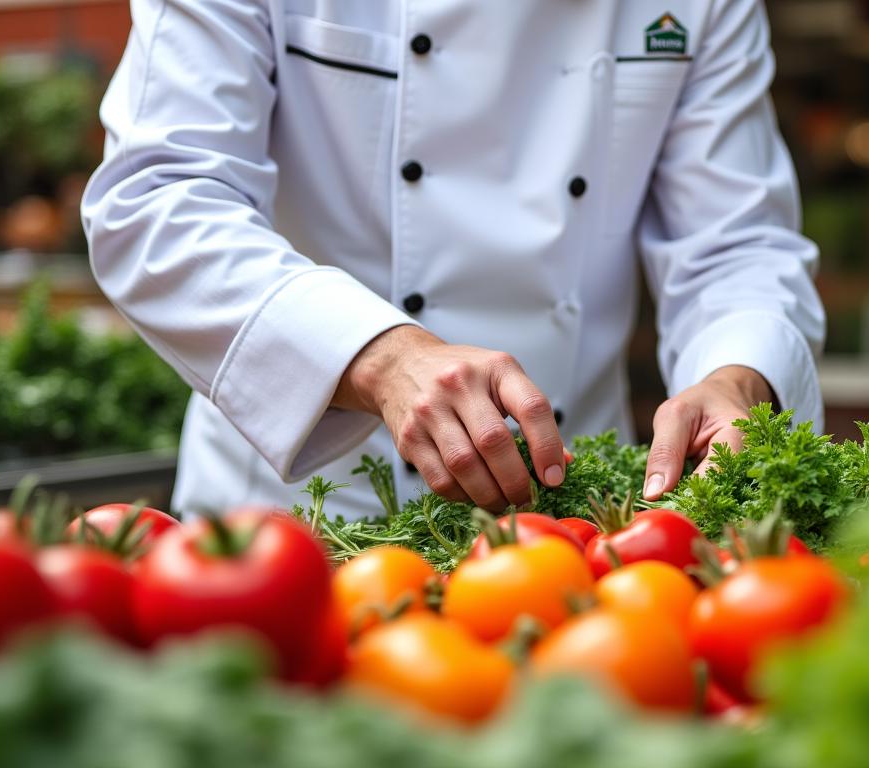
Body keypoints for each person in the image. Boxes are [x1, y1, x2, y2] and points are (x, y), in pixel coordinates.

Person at [82, 0, 825, 518]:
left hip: (571, 516)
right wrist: (382, 357)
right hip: (300, 519)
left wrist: (737, 378)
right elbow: (158, 199)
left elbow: (736, 240)